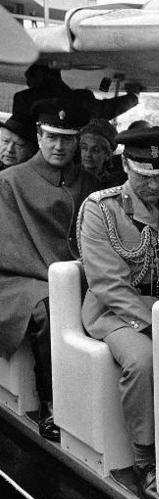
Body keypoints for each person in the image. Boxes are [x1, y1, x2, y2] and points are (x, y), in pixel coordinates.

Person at [77, 126, 159, 499]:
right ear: (125, 164)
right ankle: (146, 461)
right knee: (145, 360)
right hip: (116, 312)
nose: (153, 185)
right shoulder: (100, 208)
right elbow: (108, 284)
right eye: (143, 175)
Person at [0, 98, 91, 442]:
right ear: (39, 136)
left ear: (77, 140)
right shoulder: (10, 181)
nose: (58, 145)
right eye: (51, 136)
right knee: (49, 308)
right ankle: (54, 402)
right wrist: (58, 278)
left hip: (74, 274)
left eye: (66, 138)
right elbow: (8, 247)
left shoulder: (89, 181)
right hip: (18, 277)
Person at [12, 64, 138, 124]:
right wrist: (133, 97)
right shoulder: (80, 97)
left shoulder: (22, 99)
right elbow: (106, 110)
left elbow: (18, 128)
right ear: (58, 75)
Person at [79, 118, 125, 190]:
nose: (88, 154)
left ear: (107, 155)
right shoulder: (72, 179)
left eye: (95, 150)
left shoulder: (115, 186)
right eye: (84, 148)